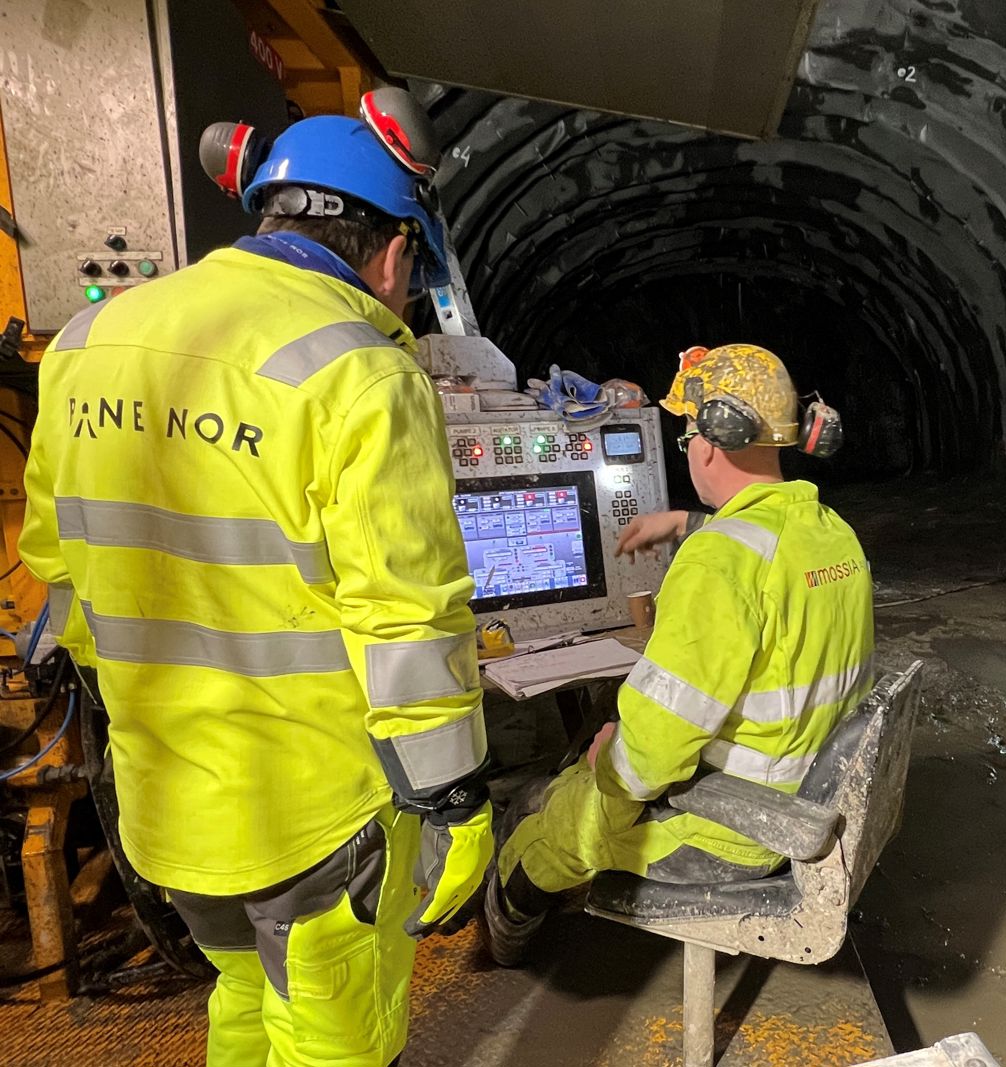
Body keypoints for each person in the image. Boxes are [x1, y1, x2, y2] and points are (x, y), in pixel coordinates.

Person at [19, 88, 491, 1066]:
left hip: (165, 788)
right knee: (333, 1034)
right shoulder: (360, 368)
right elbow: (408, 614)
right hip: (314, 805)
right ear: (395, 252)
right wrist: (452, 801)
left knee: (242, 988)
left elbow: (56, 569)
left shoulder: (82, 344)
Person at [482, 343, 875, 964]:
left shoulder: (719, 562)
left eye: (685, 432)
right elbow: (762, 554)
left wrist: (605, 764)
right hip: (799, 795)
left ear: (707, 444)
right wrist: (684, 524)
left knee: (554, 820)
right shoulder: (829, 531)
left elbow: (652, 759)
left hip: (728, 829)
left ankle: (506, 932)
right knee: (584, 771)